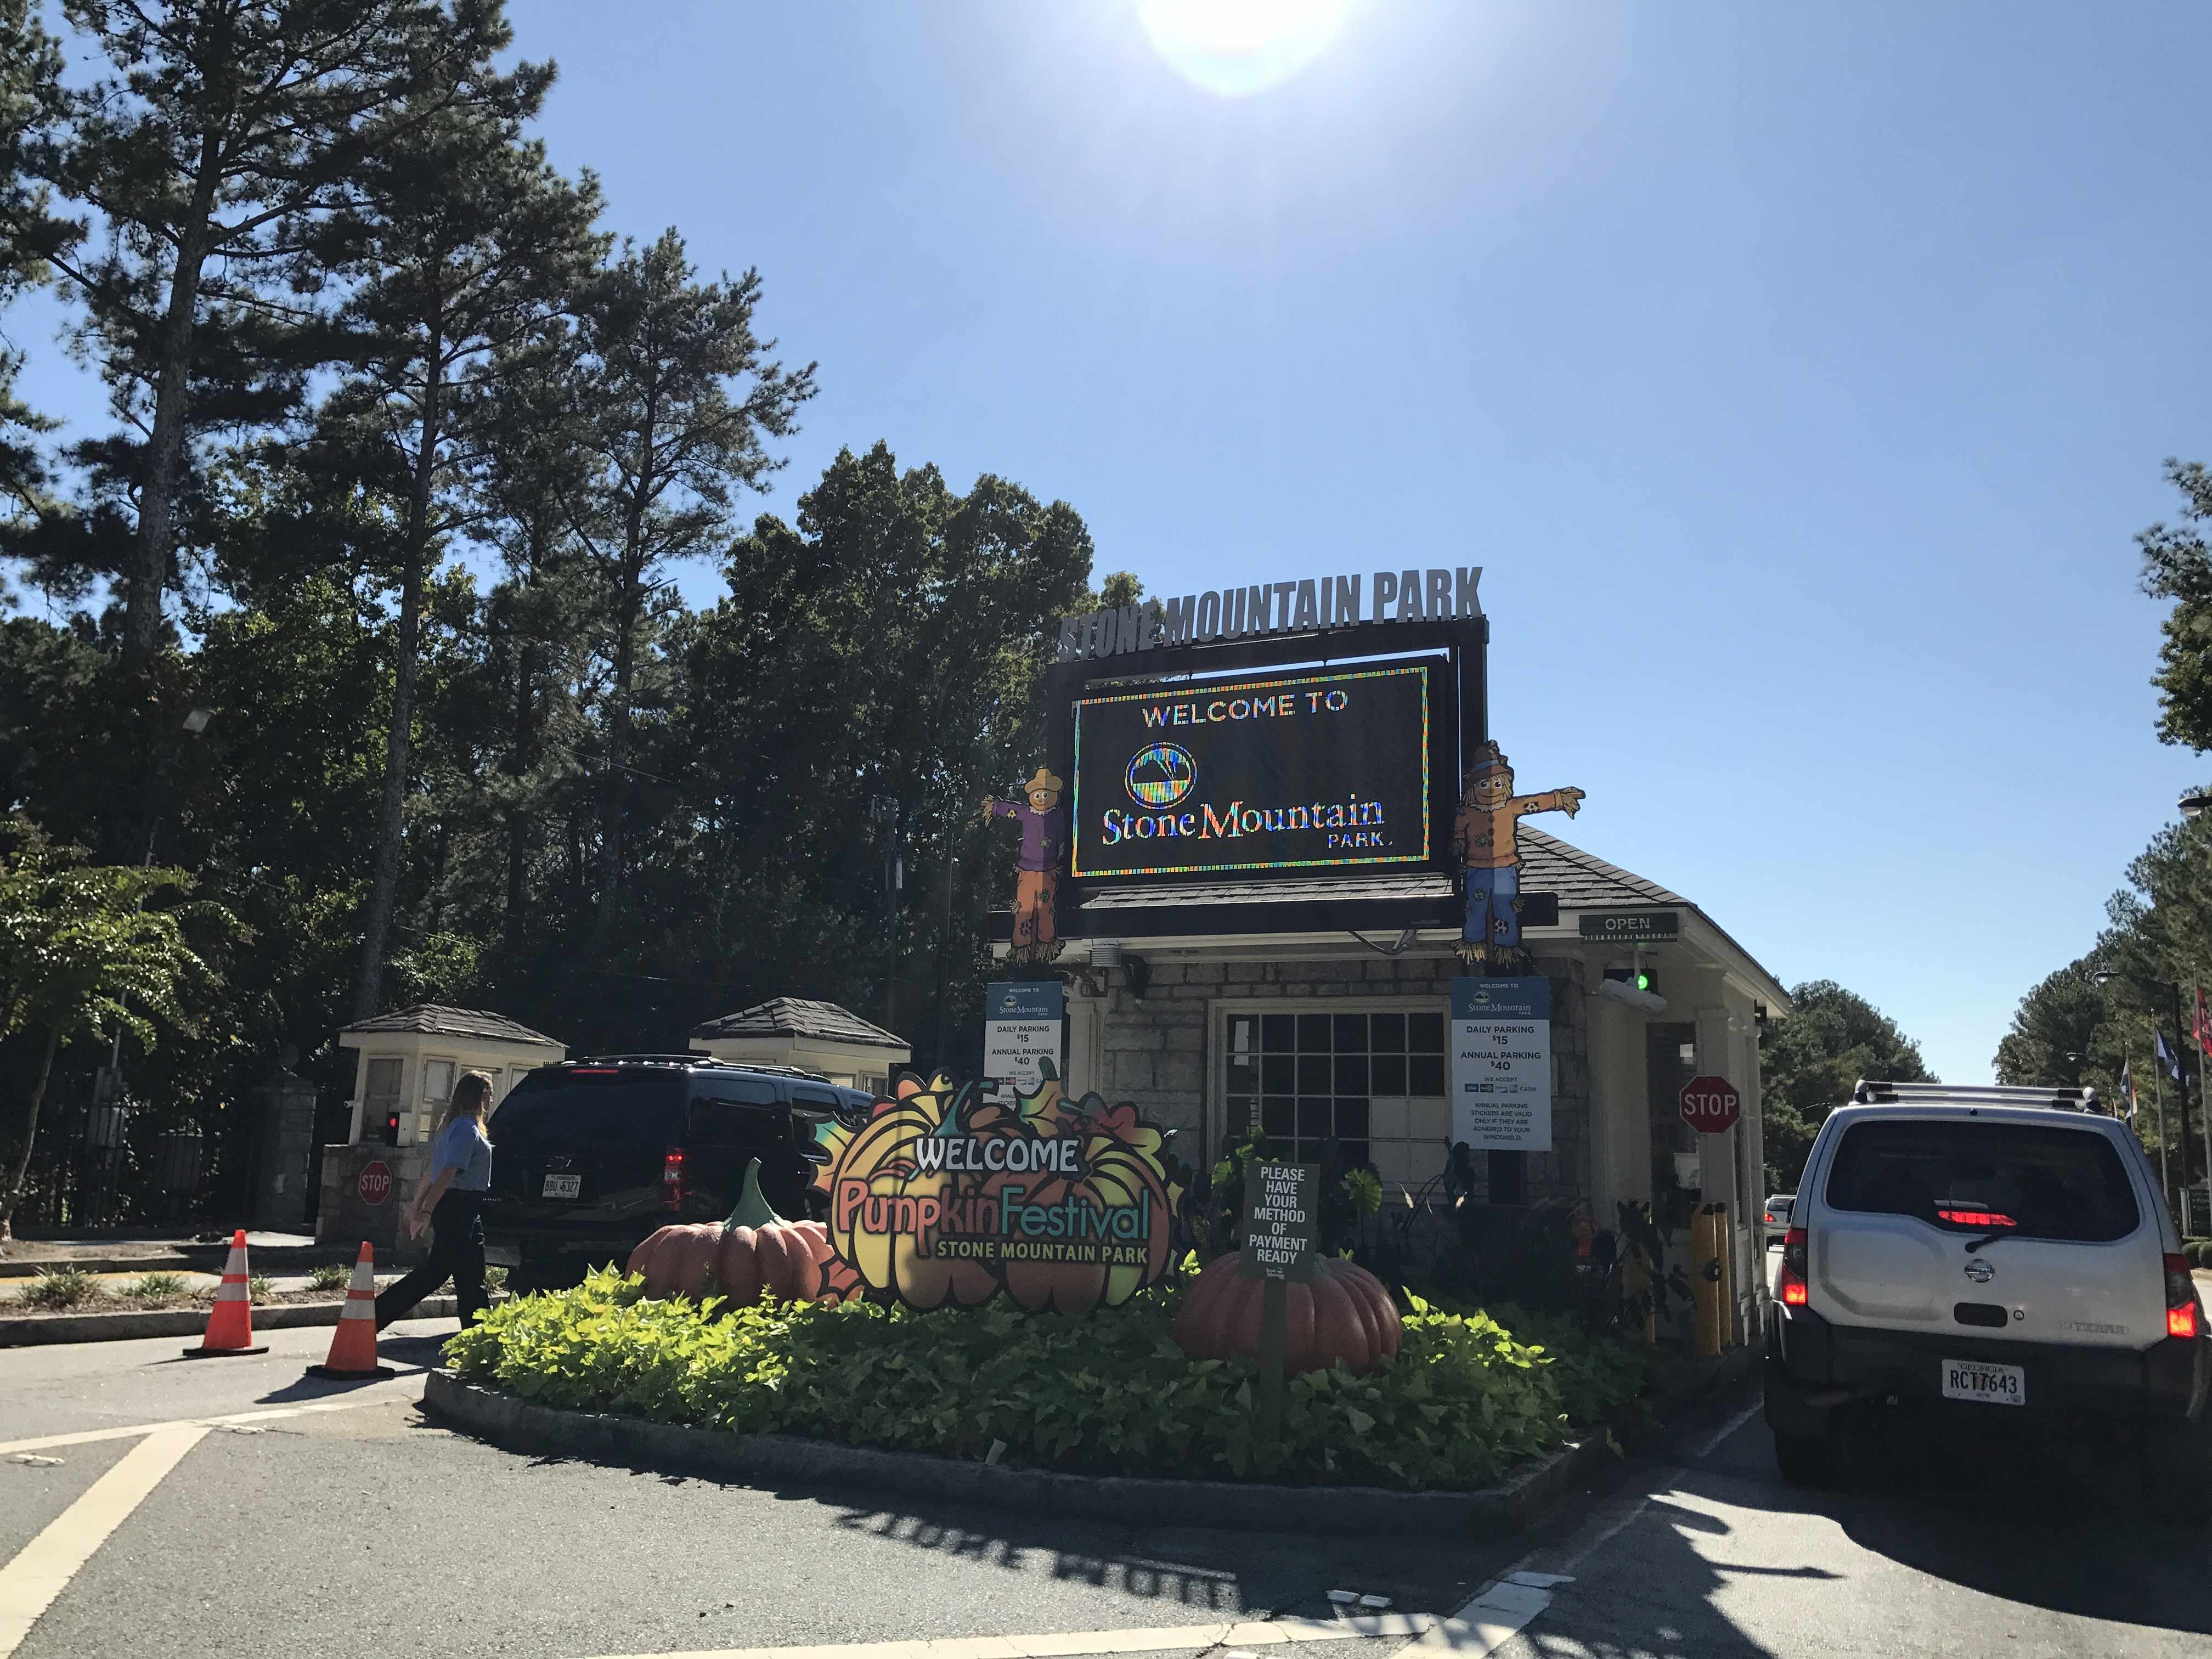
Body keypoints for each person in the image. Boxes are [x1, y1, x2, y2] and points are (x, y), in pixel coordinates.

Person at [375, 1070, 494, 1330]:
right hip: (458, 1206)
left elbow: (432, 1171)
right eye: (489, 1092)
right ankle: (374, 1315)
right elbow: (446, 1173)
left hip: (467, 1209)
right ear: (478, 1095)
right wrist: (424, 1212)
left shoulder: (453, 1127)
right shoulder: (466, 1129)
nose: (492, 1098)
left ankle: (480, 1339)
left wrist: (415, 1206)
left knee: (472, 1276)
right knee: (437, 1272)